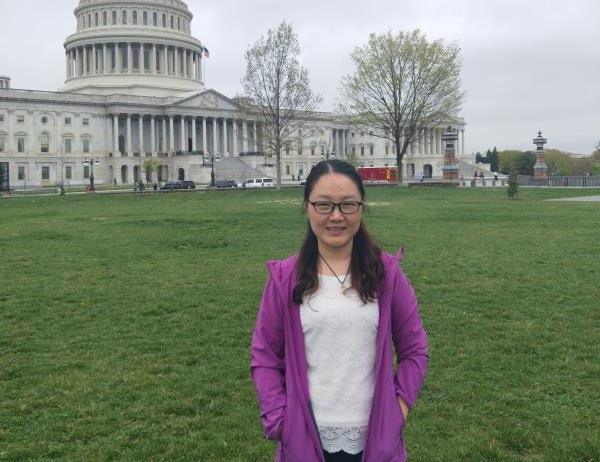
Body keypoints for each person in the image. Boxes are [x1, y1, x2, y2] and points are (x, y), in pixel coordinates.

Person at [250, 159, 429, 462]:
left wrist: (398, 410)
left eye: (347, 204)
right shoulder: (285, 279)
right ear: (307, 207)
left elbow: (415, 350)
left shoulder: (387, 275)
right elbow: (265, 356)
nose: (336, 216)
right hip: (304, 440)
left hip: (376, 440)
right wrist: (279, 421)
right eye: (323, 205)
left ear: (361, 207)